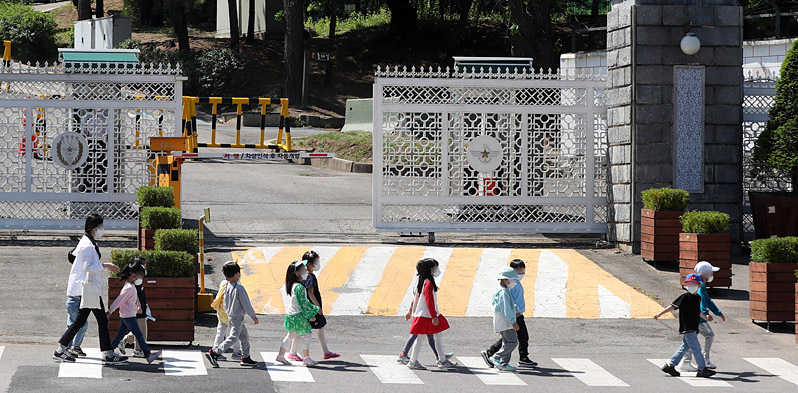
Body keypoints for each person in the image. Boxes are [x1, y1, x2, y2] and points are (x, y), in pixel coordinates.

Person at [54, 213, 128, 365]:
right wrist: (106, 265)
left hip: (89, 289)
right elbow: (87, 267)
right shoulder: (87, 245)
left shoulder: (87, 242)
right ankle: (106, 353)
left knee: (90, 320)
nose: (102, 229)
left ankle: (63, 349)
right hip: (88, 289)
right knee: (90, 321)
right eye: (101, 226)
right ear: (95, 228)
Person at [655, 273, 717, 378]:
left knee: (685, 347)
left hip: (694, 327)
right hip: (687, 328)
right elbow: (672, 306)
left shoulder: (698, 298)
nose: (691, 286)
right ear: (686, 285)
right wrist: (660, 314)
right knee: (697, 348)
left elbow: (697, 311)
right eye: (689, 284)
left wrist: (705, 316)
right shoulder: (684, 297)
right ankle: (702, 369)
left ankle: (671, 365)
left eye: (694, 284)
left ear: (699, 285)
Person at [482, 259, 536, 368]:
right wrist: (514, 318)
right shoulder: (507, 289)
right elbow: (507, 306)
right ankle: (495, 356)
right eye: (519, 272)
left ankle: (502, 361)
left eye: (523, 272)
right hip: (513, 316)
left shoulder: (513, 283)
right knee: (513, 340)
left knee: (510, 339)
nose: (521, 274)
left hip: (515, 314)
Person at [286, 251, 340, 362]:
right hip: (311, 308)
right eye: (316, 262)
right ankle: (297, 353)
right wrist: (317, 307)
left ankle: (295, 352)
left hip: (308, 307)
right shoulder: (310, 276)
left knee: (302, 330)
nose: (318, 264)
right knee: (306, 330)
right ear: (310, 264)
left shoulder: (307, 275)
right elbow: (310, 292)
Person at [397, 260, 452, 364]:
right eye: (435, 267)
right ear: (431, 269)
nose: (437, 270)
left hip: (424, 315)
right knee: (426, 336)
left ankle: (439, 358)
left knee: (428, 336)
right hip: (426, 315)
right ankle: (439, 359)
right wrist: (433, 316)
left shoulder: (425, 281)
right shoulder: (427, 283)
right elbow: (428, 301)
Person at [107, 260, 162, 364]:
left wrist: (138, 306)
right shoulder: (129, 288)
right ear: (133, 275)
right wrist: (110, 311)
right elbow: (119, 300)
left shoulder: (130, 286)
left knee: (121, 334)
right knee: (139, 335)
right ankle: (148, 354)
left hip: (127, 314)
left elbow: (128, 299)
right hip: (129, 316)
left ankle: (109, 351)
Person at [205, 261, 259, 368]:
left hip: (231, 316)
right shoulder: (239, 289)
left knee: (244, 337)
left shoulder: (227, 286)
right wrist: (253, 316)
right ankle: (215, 353)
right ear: (237, 274)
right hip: (237, 318)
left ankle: (246, 357)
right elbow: (246, 304)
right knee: (233, 338)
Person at [679, 261, 725, 371]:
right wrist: (706, 314)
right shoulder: (701, 285)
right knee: (708, 335)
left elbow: (707, 300)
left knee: (690, 339)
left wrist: (717, 312)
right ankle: (704, 360)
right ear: (706, 272)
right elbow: (703, 301)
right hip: (698, 317)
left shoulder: (700, 284)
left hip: (694, 316)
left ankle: (686, 361)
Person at [276, 261, 320, 366]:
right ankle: (306, 358)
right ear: (297, 273)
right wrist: (311, 314)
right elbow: (303, 303)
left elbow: (303, 302)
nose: (305, 272)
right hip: (298, 315)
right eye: (303, 270)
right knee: (308, 334)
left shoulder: (294, 285)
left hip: (291, 314)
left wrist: (313, 308)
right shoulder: (300, 287)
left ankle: (281, 355)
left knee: (291, 334)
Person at [486, 267, 521, 371]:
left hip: (502, 320)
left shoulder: (503, 290)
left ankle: (504, 363)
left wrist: (516, 310)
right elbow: (506, 309)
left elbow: (508, 306)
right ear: (505, 280)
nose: (513, 281)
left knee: (507, 342)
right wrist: (513, 321)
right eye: (512, 279)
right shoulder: (503, 292)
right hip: (505, 321)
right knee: (513, 342)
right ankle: (496, 357)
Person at [209, 269, 243, 362]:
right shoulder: (234, 286)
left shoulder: (223, 284)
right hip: (232, 313)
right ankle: (236, 351)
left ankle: (216, 349)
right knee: (235, 333)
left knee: (220, 332)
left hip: (221, 312)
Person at [120, 256, 150, 358]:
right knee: (142, 330)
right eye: (144, 265)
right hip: (138, 307)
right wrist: (139, 305)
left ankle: (124, 340)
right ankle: (138, 350)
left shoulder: (135, 277)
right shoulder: (137, 279)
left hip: (138, 306)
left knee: (138, 329)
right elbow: (136, 292)